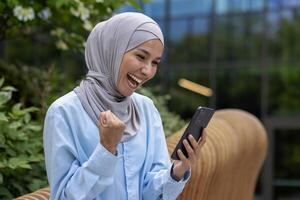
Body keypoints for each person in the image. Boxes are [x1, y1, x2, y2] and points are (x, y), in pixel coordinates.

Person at [43, 12, 206, 200]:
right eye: (141, 56)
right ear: (113, 49)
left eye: (155, 62)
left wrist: (177, 171)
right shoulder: (64, 112)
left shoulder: (146, 109)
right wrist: (106, 149)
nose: (147, 71)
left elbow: (148, 191)